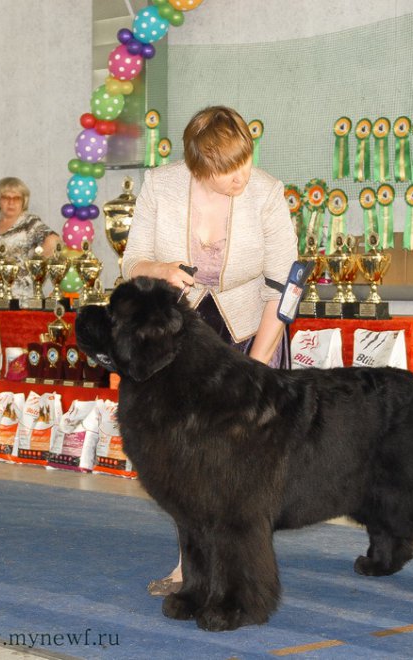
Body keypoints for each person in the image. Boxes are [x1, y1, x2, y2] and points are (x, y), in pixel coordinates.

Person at [120, 105, 298, 595]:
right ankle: (188, 567)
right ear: (198, 167)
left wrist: (259, 360)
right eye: (226, 170)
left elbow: (284, 287)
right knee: (184, 459)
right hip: (181, 337)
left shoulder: (267, 192)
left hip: (247, 331)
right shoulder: (162, 185)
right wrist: (160, 268)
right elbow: (130, 261)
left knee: (239, 463)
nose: (240, 176)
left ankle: (242, 563)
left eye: (245, 162)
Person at [0, 177, 61, 300]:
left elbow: (54, 241)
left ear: (24, 201)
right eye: (6, 198)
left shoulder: (30, 223)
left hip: (21, 297)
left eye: (17, 198)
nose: (11, 202)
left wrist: (33, 266)